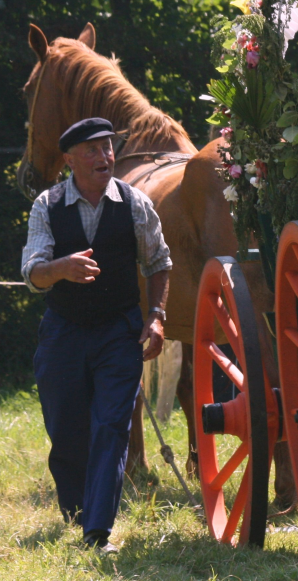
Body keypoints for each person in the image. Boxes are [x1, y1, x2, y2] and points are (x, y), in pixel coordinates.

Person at [21, 117, 171, 553]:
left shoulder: (136, 203)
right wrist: (61, 268)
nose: (105, 156)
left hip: (118, 332)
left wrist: (157, 315)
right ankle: (77, 511)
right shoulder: (46, 206)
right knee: (66, 428)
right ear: (69, 159)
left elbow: (159, 263)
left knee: (111, 425)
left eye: (108, 147)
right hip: (63, 333)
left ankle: (97, 531)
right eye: (92, 150)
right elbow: (32, 273)